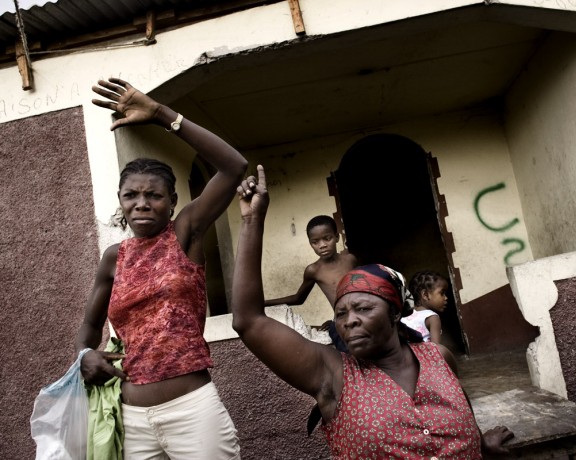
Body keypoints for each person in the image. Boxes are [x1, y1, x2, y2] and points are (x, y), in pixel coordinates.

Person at [231, 165, 513, 458]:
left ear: (395, 312)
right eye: (340, 314)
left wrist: (482, 445)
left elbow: (460, 403)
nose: (350, 320)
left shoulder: (439, 359)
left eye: (363, 308)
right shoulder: (334, 375)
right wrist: (252, 220)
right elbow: (248, 321)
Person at [75, 77, 246, 459]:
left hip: (192, 410)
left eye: (153, 195)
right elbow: (89, 327)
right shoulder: (114, 258)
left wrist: (161, 115)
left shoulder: (185, 231)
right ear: (120, 201)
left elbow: (233, 167)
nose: (141, 203)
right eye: (131, 195)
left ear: (171, 202)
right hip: (132, 417)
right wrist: (85, 355)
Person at [264, 214, 357, 352]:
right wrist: (263, 303)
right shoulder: (313, 270)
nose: (322, 245)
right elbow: (298, 298)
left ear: (336, 237)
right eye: (315, 242)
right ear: (310, 244)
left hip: (361, 314)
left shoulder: (350, 260)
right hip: (342, 321)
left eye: (327, 238)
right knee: (349, 352)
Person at [401, 270, 449, 344]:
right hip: (424, 355)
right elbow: (436, 350)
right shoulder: (432, 317)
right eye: (442, 293)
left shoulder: (404, 316)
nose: (446, 298)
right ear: (425, 295)